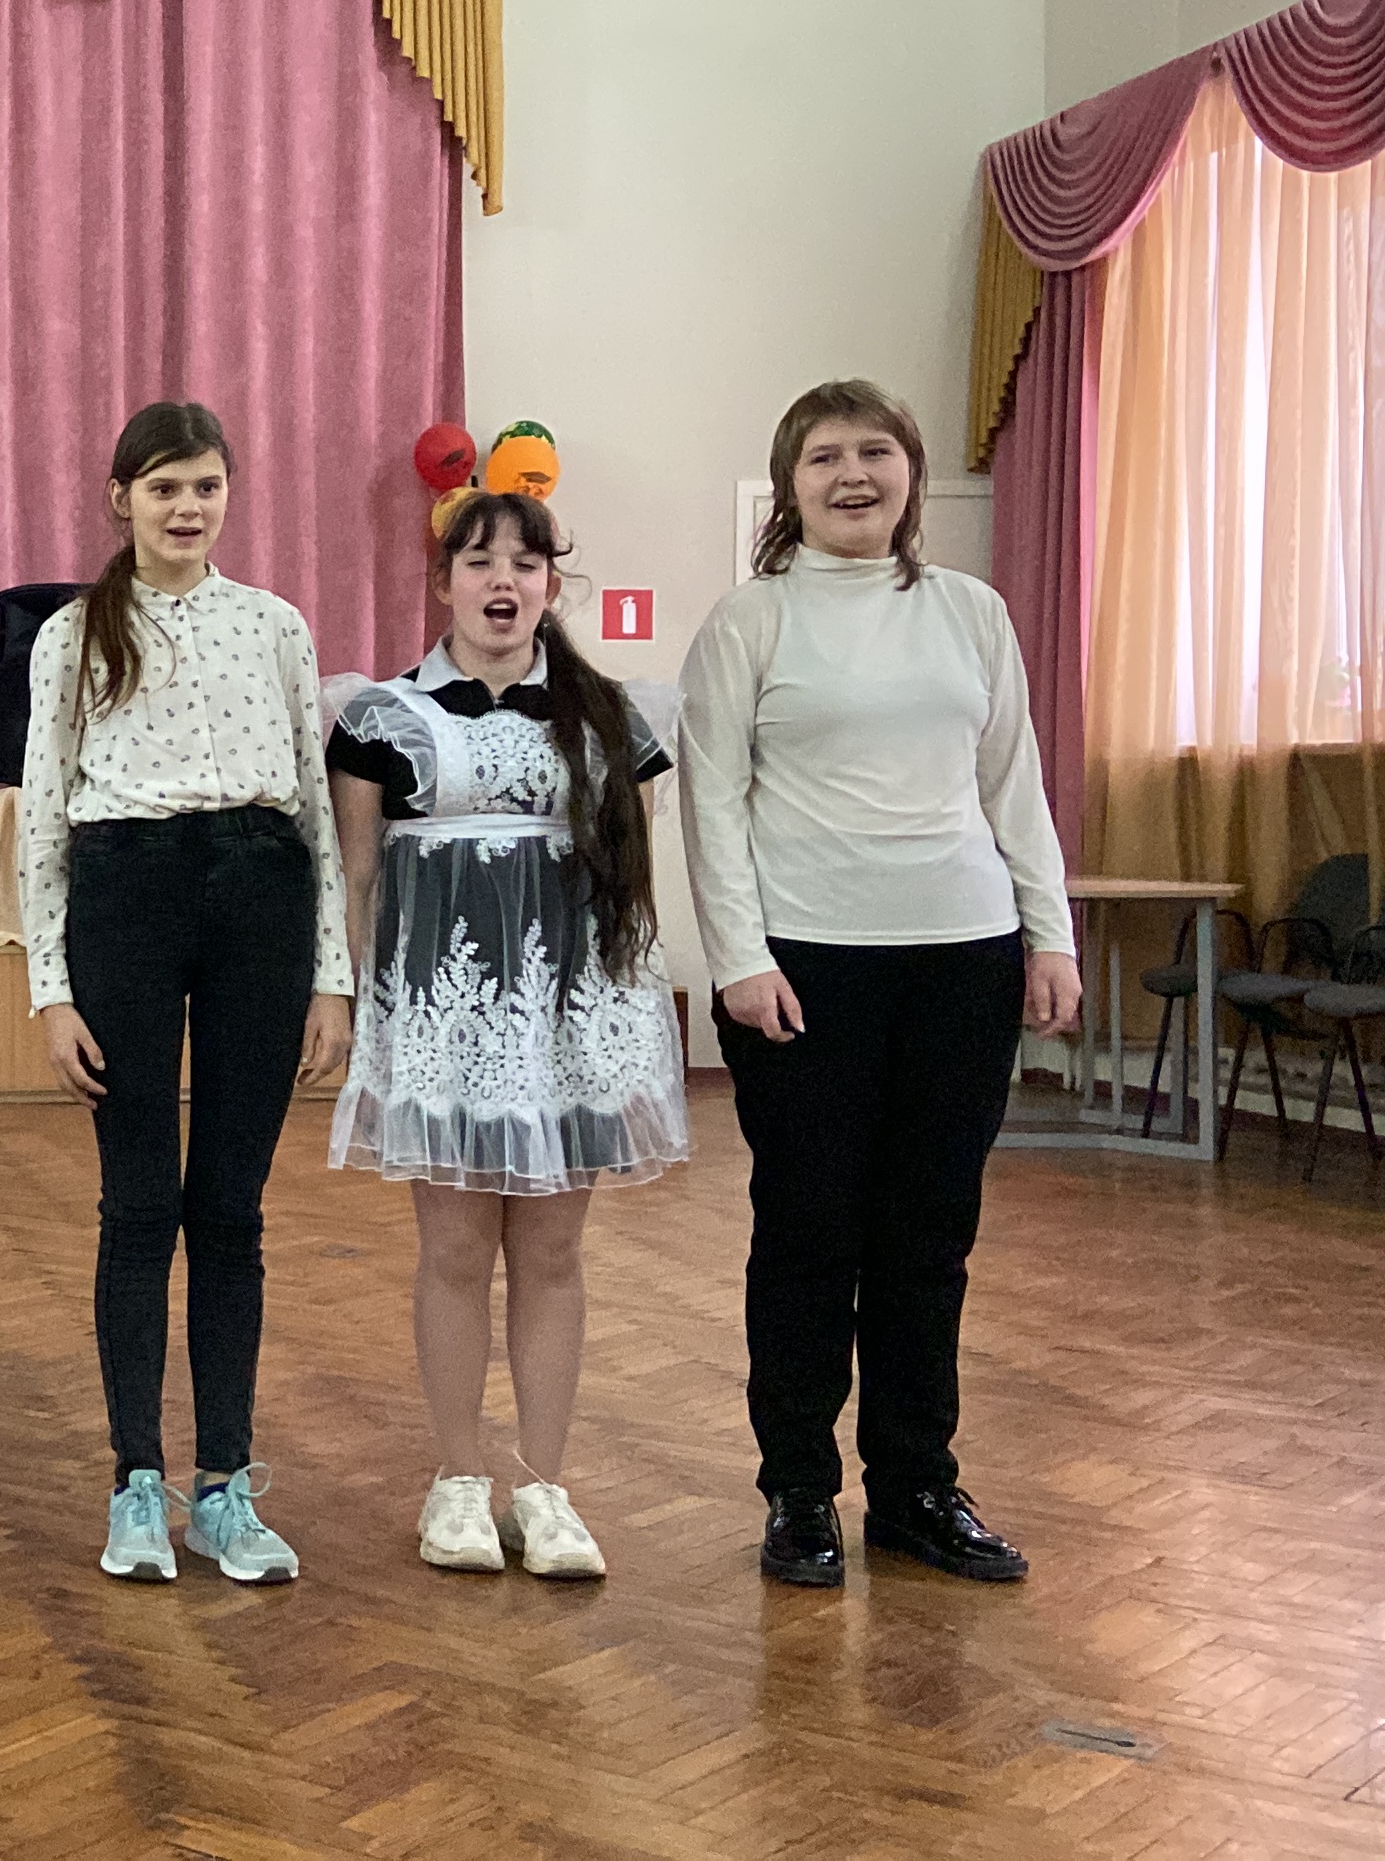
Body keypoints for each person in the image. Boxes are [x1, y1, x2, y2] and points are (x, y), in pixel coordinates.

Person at [681, 379, 1081, 1588]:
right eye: (823, 457)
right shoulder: (749, 621)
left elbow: (1012, 783)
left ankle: (915, 1489)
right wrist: (738, 959)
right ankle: (800, 1490)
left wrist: (1049, 935)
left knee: (928, 1240)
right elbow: (711, 804)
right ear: (788, 486)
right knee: (807, 1236)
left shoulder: (971, 612)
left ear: (910, 473)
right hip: (804, 970)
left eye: (874, 452)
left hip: (963, 957)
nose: (851, 475)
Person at [18, 401, 353, 1587]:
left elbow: (312, 804)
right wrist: (49, 986)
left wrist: (331, 974)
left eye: (205, 485)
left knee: (230, 1211)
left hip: (259, 899)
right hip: (127, 899)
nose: (186, 507)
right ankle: (135, 1481)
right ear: (121, 499)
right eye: (162, 487)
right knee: (137, 1204)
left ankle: (223, 1486)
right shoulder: (73, 633)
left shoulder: (273, 624)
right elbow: (42, 810)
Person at [326, 488, 687, 1581]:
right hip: (441, 1017)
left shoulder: (611, 719)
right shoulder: (380, 720)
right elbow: (355, 879)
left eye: (525, 564)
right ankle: (456, 1479)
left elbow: (630, 883)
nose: (502, 581)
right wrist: (355, 1006)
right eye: (479, 561)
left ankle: (542, 1483)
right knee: (451, 1252)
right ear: (442, 582)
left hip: (566, 1019)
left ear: (550, 586)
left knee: (553, 1254)